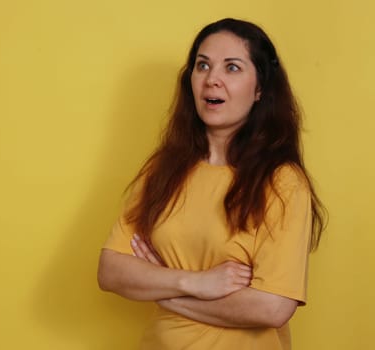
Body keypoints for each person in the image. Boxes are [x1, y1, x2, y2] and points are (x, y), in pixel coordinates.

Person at [97, 18, 326, 350]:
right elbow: (110, 271)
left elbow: (272, 307)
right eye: (202, 65)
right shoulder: (164, 169)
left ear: (260, 88)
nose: (212, 79)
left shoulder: (283, 183)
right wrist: (196, 282)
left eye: (232, 68)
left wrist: (163, 291)